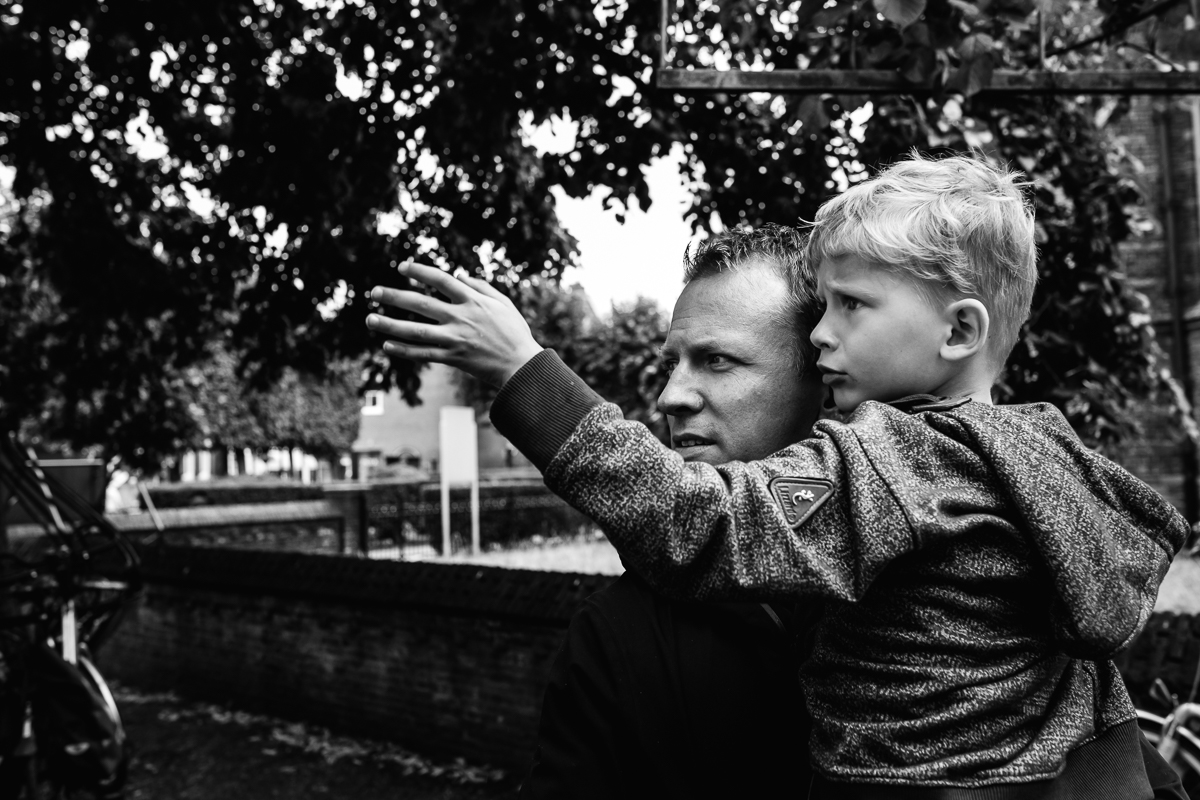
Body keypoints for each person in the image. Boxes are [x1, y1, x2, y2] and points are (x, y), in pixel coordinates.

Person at [366, 153, 1190, 797]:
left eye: (718, 361)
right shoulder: (1041, 471)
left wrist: (526, 375)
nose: (668, 396)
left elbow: (700, 523)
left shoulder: (890, 462)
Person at [519, 226, 824, 799]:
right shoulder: (619, 633)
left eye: (716, 360)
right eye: (672, 363)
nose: (670, 395)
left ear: (828, 379)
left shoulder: (920, 590)